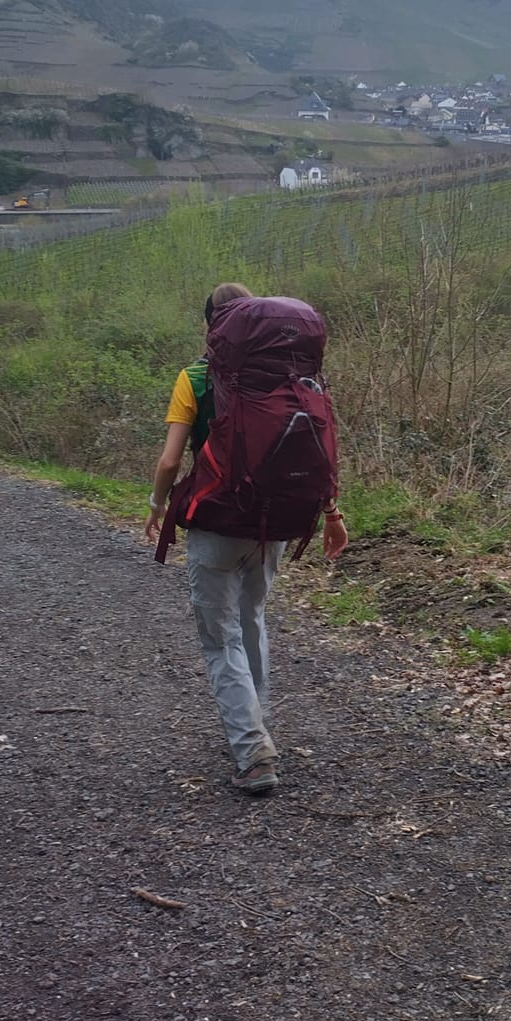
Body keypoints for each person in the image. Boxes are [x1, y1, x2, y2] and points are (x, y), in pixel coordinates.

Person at [144, 284, 347, 794]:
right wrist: (331, 513)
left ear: (213, 327)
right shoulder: (296, 379)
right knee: (253, 620)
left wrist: (156, 504)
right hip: (273, 521)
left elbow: (170, 461)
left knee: (220, 637)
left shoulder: (194, 377)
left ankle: (253, 751)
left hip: (216, 523)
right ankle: (254, 724)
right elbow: (317, 448)